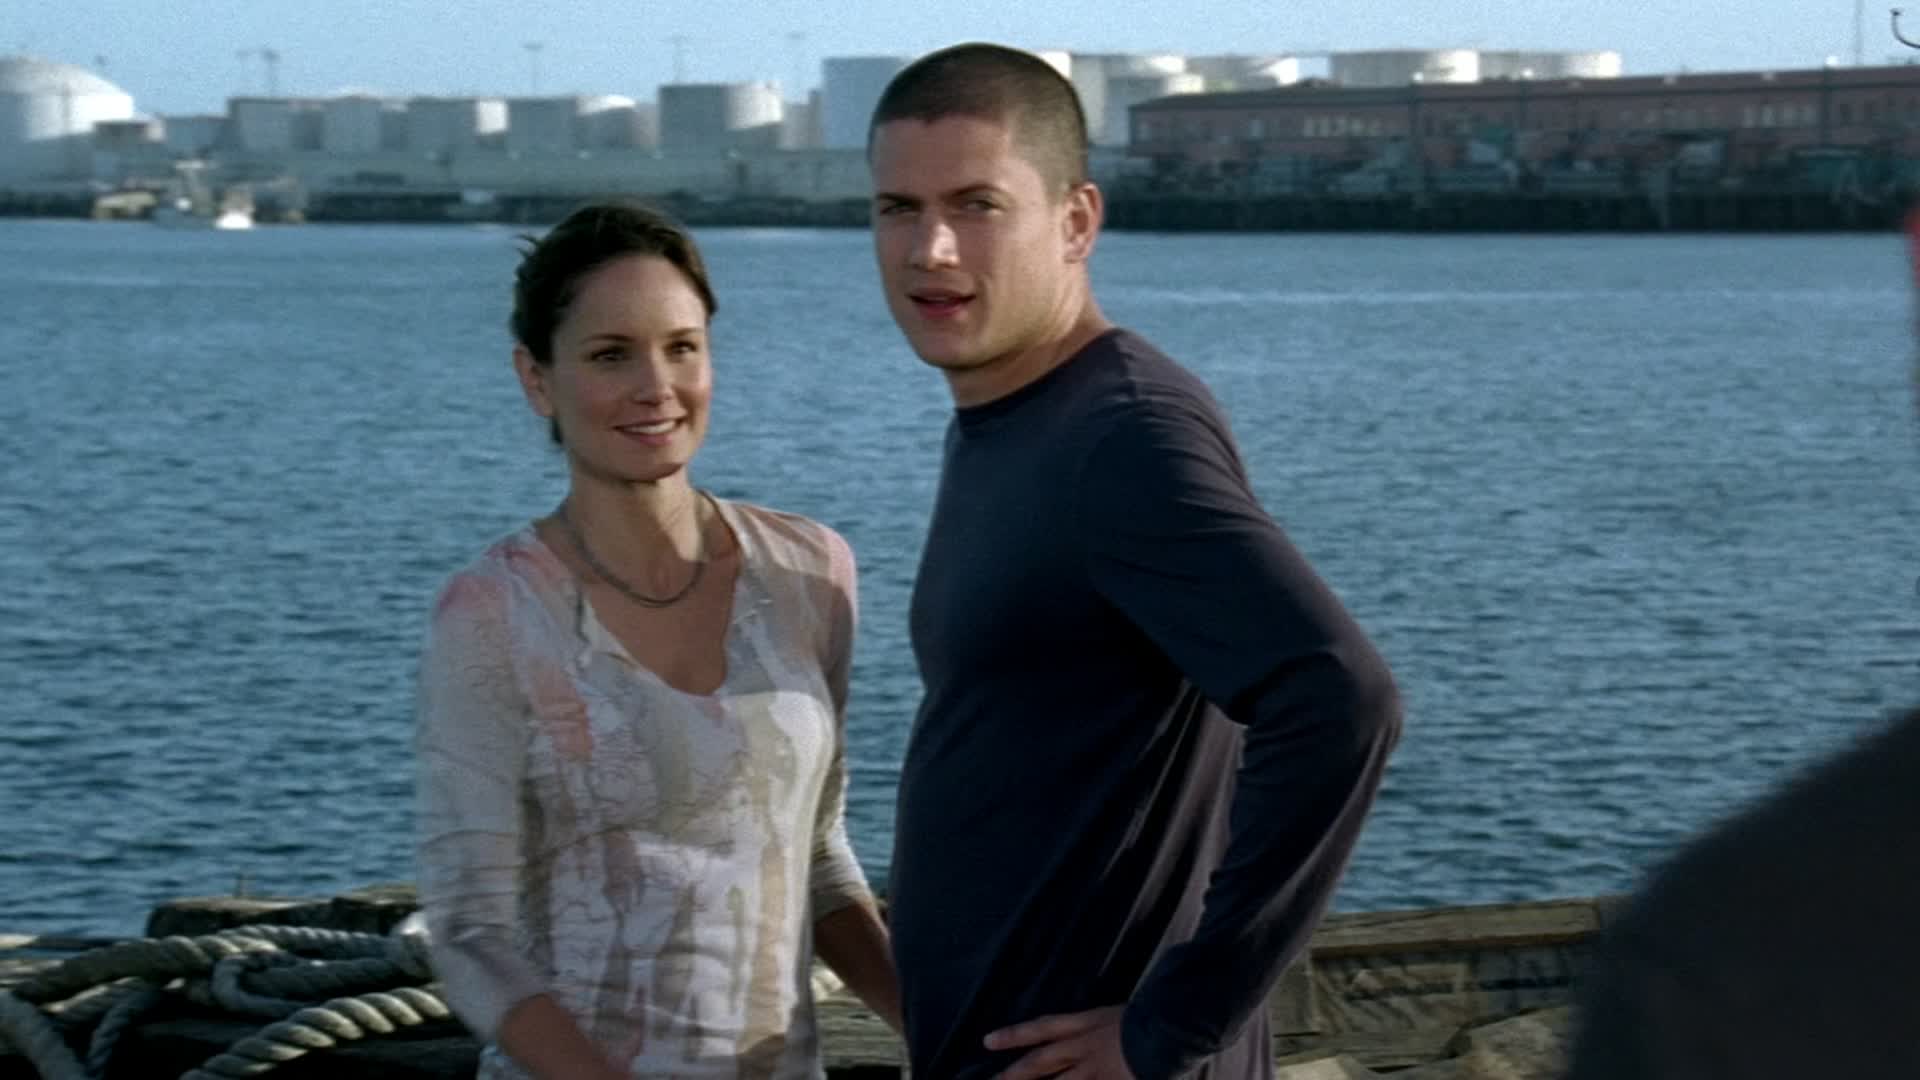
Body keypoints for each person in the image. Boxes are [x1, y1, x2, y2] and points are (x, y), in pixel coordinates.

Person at [865, 44, 1405, 1080]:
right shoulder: (1018, 417)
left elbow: (1340, 699)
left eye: (977, 205)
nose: (930, 248)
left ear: (1075, 222)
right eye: (898, 208)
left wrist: (1172, 1026)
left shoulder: (1122, 435)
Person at [412, 200, 901, 1080]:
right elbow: (470, 931)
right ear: (536, 379)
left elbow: (818, 857)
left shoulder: (810, 572)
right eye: (611, 355)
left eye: (682, 347)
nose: (657, 386)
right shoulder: (491, 611)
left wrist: (944, 1027)